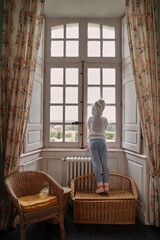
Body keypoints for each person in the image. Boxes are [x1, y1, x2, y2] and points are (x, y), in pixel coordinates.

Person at [88, 99, 109, 194]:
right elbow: (104, 129)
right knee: (105, 164)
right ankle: (106, 185)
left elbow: (90, 129)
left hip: (93, 142)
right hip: (102, 142)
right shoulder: (104, 120)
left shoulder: (90, 119)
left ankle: (100, 186)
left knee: (96, 165)